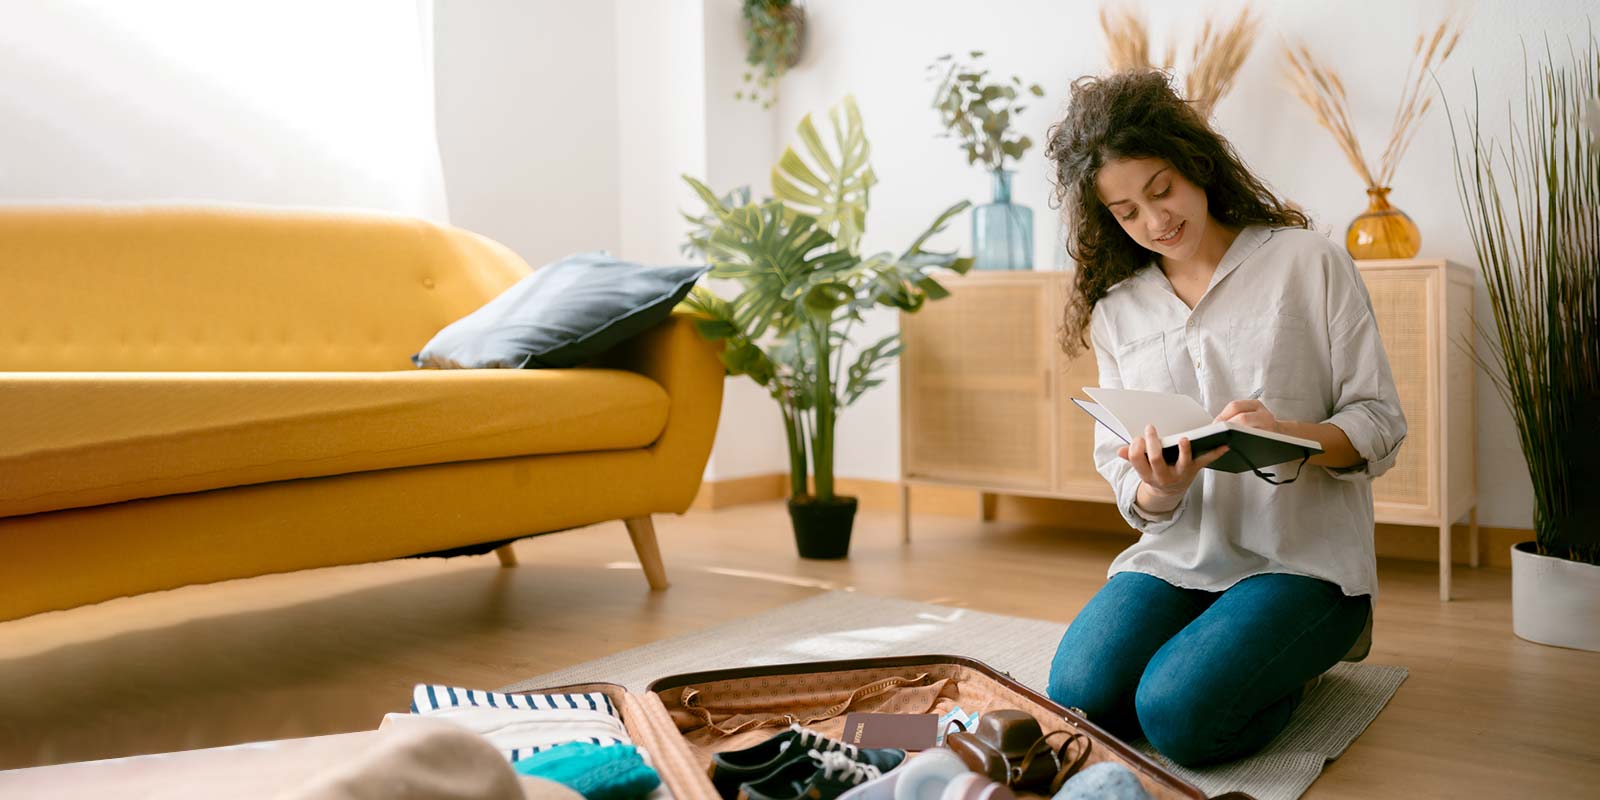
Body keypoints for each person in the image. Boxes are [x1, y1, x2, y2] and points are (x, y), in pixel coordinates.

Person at [1041, 70, 1407, 768]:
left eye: (1162, 190)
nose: (1155, 222)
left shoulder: (1309, 263)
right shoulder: (1120, 309)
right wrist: (1159, 487)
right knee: (1080, 696)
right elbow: (1133, 496)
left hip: (1302, 564)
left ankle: (1286, 662)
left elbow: (1380, 422)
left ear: (1196, 164)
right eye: (1126, 212)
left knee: (1177, 716)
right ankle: (1226, 646)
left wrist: (1286, 435)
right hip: (1177, 558)